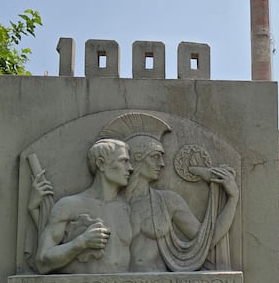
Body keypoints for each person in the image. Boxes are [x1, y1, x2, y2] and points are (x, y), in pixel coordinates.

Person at [98, 112, 239, 272]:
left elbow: (208, 239)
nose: (162, 164)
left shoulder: (168, 201)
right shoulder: (110, 203)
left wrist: (233, 198)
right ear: (137, 158)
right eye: (155, 157)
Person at [35, 138, 133, 274]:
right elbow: (42, 261)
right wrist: (82, 242)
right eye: (124, 161)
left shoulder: (125, 208)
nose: (130, 168)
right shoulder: (69, 206)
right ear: (101, 164)